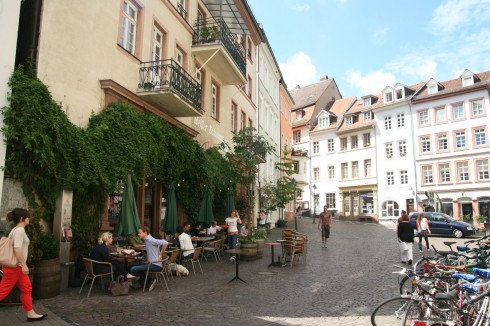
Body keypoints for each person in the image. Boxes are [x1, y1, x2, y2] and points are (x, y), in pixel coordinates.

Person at [0, 208, 48, 322]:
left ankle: (31, 314)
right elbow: (17, 249)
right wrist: (24, 265)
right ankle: (31, 314)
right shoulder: (20, 230)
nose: (29, 219)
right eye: (27, 217)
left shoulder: (15, 229)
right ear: (22, 219)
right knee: (2, 291)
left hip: (16, 267)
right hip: (16, 267)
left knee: (27, 289)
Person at [129, 226, 168, 290]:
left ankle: (146, 281)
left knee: (133, 269)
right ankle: (146, 281)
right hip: (150, 263)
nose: (138, 234)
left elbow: (165, 243)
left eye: (140, 233)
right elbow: (147, 247)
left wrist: (161, 254)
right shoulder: (147, 240)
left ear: (145, 233)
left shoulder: (150, 240)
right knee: (130, 266)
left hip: (155, 265)